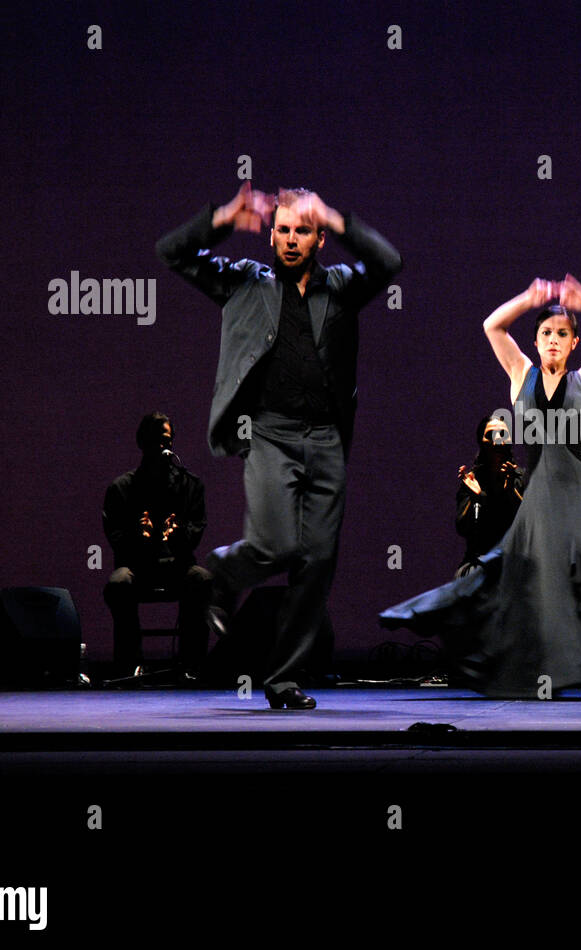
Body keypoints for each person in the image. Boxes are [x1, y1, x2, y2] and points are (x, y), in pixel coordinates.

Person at [156, 181, 402, 709]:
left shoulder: (340, 287)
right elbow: (172, 252)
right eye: (284, 230)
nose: (291, 239)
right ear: (272, 236)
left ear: (318, 240)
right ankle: (222, 572)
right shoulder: (245, 283)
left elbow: (388, 262)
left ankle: (284, 678)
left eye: (303, 231)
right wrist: (222, 217)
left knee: (317, 561)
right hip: (269, 433)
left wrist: (337, 218)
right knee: (276, 545)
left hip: (328, 439)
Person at [382, 275, 581, 698]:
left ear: (574, 343)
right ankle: (553, 670)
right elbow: (492, 326)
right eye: (546, 334)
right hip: (541, 496)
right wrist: (529, 298)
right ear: (536, 342)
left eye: (562, 334)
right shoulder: (520, 373)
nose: (554, 340)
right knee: (532, 581)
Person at [101, 412, 211, 680]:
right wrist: (141, 537)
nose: (164, 446)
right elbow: (116, 540)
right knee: (118, 583)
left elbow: (195, 536)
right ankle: (129, 665)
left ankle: (192, 665)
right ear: (142, 442)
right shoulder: (121, 488)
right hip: (137, 567)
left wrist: (177, 536)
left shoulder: (190, 485)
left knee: (202, 579)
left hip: (176, 566)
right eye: (156, 440)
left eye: (168, 440)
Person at [455, 415, 526, 577]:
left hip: (514, 567)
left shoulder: (521, 479)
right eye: (491, 435)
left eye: (503, 434)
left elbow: (530, 524)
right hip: (478, 568)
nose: (497, 440)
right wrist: (476, 498)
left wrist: (510, 493)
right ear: (481, 441)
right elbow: (462, 528)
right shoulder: (472, 480)